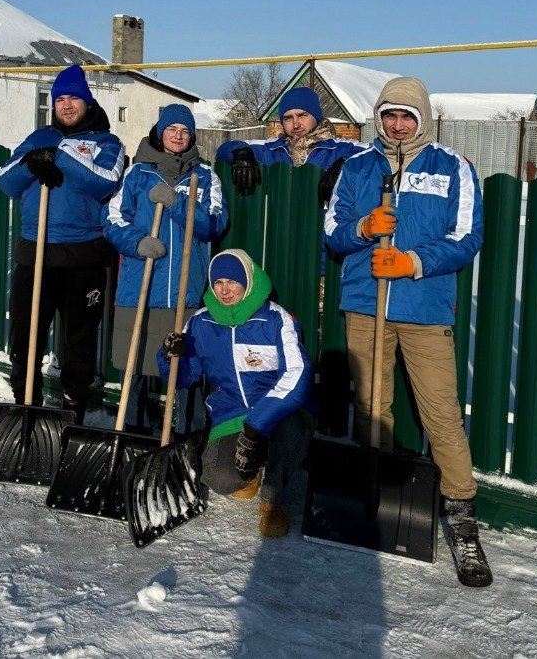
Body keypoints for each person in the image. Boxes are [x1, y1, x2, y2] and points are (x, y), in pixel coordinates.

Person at [324, 76, 491, 587]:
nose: (397, 125)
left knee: (440, 412)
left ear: (422, 119)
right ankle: (376, 493)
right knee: (372, 404)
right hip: (364, 306)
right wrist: (364, 229)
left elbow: (466, 239)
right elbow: (333, 230)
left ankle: (461, 516)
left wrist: (413, 262)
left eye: (407, 116)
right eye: (389, 115)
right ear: (378, 116)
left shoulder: (453, 168)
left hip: (425, 309)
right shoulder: (355, 167)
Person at [0, 65, 124, 423]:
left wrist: (60, 155)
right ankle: (27, 409)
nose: (67, 105)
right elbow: (4, 180)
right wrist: (33, 162)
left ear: (87, 101)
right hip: (34, 252)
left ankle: (72, 415)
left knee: (78, 344)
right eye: (60, 99)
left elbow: (104, 182)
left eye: (74, 98)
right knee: (24, 339)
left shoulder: (106, 143)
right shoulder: (38, 137)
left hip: (83, 258)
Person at [158, 249, 313, 537]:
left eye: (232, 282)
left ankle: (272, 497)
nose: (224, 290)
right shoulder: (200, 322)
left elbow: (298, 375)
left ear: (248, 283)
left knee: (294, 431)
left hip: (276, 411)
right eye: (218, 283)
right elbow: (184, 378)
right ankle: (249, 471)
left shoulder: (276, 320)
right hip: (229, 412)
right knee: (218, 477)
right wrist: (170, 356)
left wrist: (255, 429)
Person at [103, 104, 228, 435]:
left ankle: (188, 437)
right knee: (134, 367)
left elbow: (214, 224)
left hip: (185, 293)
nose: (178, 136)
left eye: (185, 131)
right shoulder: (137, 174)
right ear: (160, 132)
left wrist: (178, 205)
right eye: (172, 129)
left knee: (185, 370)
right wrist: (137, 243)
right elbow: (113, 219)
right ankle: (132, 432)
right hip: (140, 286)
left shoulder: (206, 176)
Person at [215, 86, 365, 206]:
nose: (295, 124)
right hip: (281, 235)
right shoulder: (272, 150)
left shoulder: (339, 149)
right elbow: (224, 148)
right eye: (288, 118)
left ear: (316, 116)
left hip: (323, 235)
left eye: (302, 115)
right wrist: (241, 153)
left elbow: (378, 153)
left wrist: (344, 164)